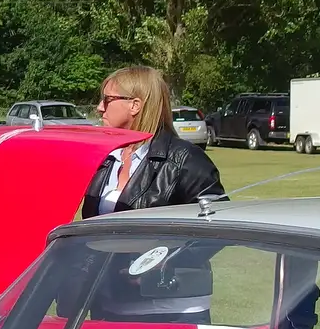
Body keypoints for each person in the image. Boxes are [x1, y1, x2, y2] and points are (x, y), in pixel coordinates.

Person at [82, 66, 223, 218]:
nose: (100, 107)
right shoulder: (107, 158)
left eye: (107, 99)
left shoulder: (186, 160)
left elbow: (214, 225)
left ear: (135, 106)